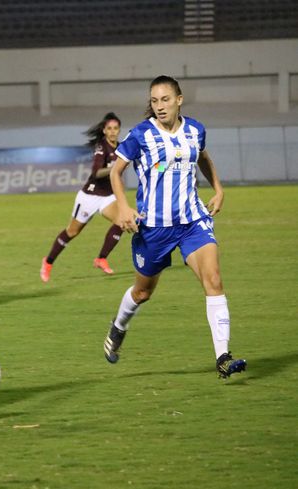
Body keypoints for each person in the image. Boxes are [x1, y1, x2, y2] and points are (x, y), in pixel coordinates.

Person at [103, 75, 246, 379]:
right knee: (142, 293)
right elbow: (116, 172)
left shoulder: (195, 129)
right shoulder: (141, 135)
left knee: (214, 280)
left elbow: (202, 157)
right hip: (153, 228)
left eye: (165, 99)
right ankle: (119, 326)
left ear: (179, 99)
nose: (160, 106)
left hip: (193, 221)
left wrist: (218, 188)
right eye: (154, 101)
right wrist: (125, 206)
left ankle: (222, 356)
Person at [40, 112, 125, 282]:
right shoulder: (101, 148)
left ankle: (101, 258)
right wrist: (115, 168)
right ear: (104, 131)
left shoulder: (122, 148)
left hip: (107, 197)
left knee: (122, 221)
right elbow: (97, 172)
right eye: (109, 128)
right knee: (72, 232)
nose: (113, 131)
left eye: (116, 128)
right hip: (89, 196)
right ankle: (48, 262)